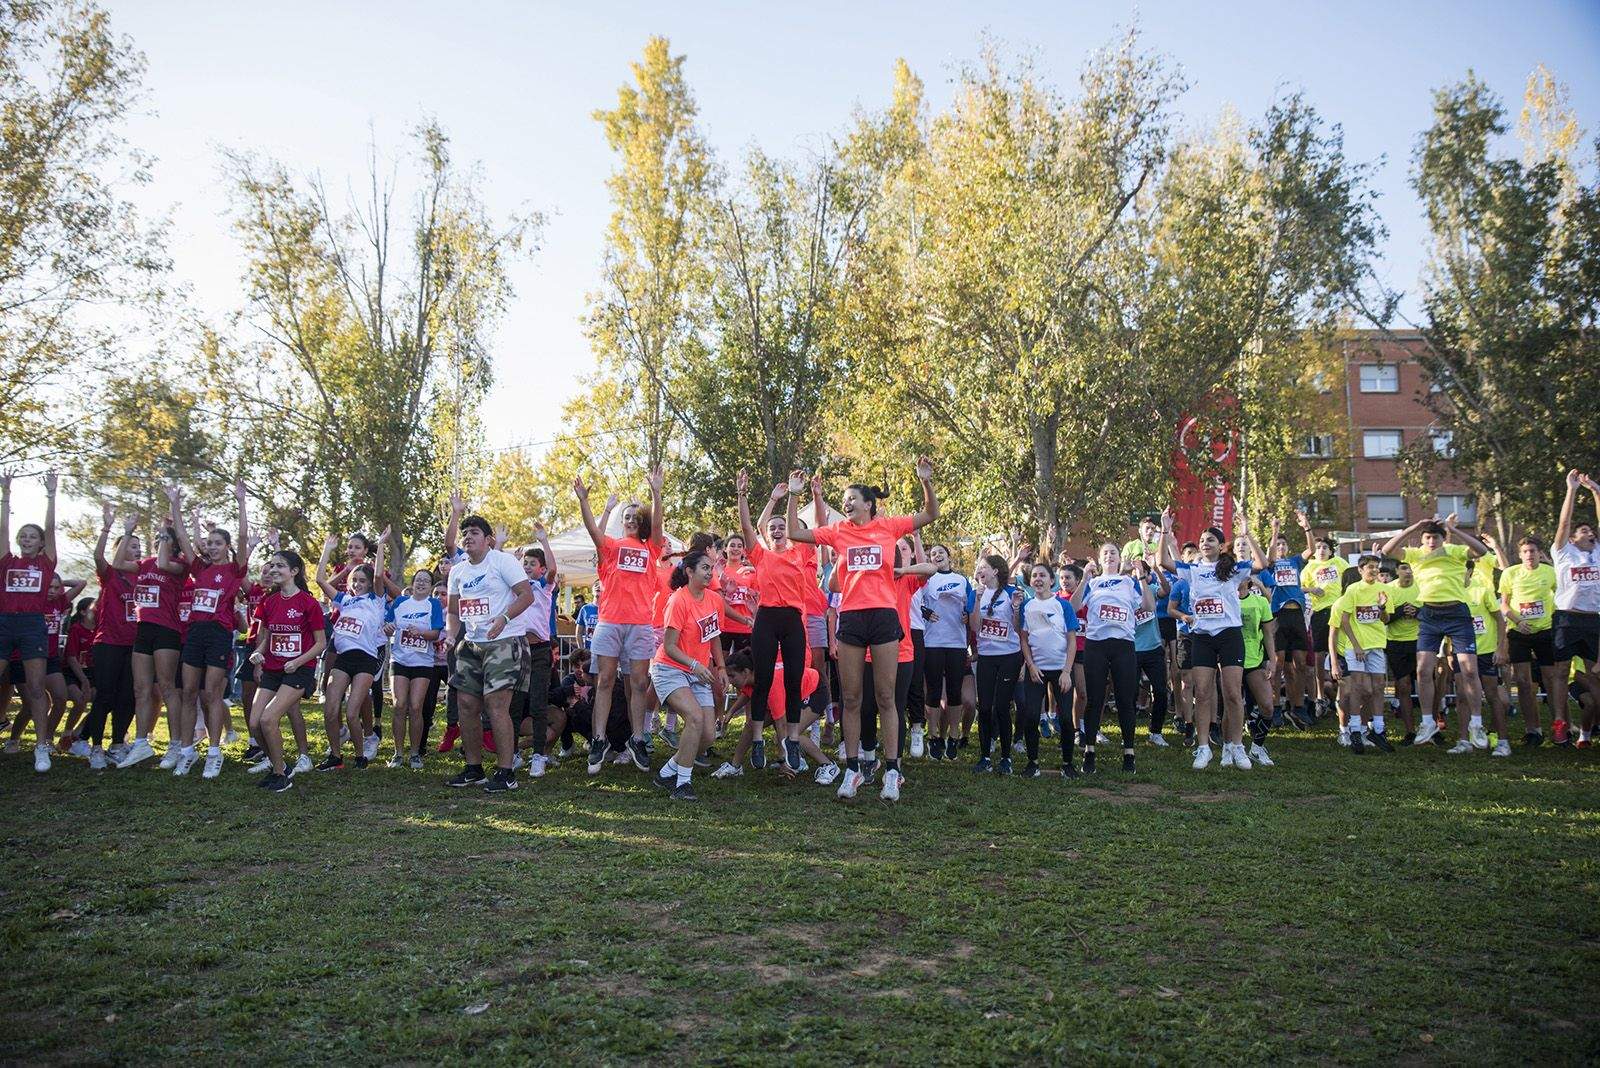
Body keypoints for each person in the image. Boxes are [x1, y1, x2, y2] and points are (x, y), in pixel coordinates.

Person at [785, 458, 938, 802]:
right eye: (844, 499)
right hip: (851, 618)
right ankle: (853, 769)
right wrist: (794, 495)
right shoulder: (839, 531)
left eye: (852, 498)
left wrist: (925, 481)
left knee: (886, 697)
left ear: (868, 504)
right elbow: (795, 532)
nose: (847, 503)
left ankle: (892, 771)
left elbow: (930, 514)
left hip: (883, 617)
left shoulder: (889, 526)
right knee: (851, 698)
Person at [1160, 509, 1267, 771]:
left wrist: (1246, 533)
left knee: (1232, 693)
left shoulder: (1232, 570)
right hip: (1202, 637)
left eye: (1211, 540)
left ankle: (1236, 746)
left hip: (1229, 635)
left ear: (1220, 546)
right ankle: (1204, 748)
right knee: (1203, 692)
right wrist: (1165, 529)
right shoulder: (1192, 570)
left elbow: (1262, 563)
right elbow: (1162, 560)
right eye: (1202, 540)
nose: (1205, 543)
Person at [573, 469, 664, 776]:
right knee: (605, 681)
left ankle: (637, 738)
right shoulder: (610, 548)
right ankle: (599, 740)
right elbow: (592, 531)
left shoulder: (651, 548)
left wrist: (656, 493)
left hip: (640, 625)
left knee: (637, 683)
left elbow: (658, 526)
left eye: (635, 517)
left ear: (642, 522)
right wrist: (585, 502)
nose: (630, 520)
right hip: (610, 623)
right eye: (626, 517)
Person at [1379, 512, 1492, 749]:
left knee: (1470, 671)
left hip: (1457, 614)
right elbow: (1387, 550)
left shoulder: (1454, 551)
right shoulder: (1416, 554)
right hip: (1429, 615)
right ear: (1422, 539)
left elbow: (1481, 550)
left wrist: (1454, 529)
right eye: (1427, 538)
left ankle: (1476, 723)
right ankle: (1428, 722)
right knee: (1423, 671)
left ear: (1443, 539)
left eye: (1435, 538)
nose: (1431, 542)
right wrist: (1413, 527)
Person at [737, 470, 824, 773]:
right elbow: (747, 526)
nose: (776, 530)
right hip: (767, 618)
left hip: (793, 620)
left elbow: (819, 527)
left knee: (792, 680)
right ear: (768, 533)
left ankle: (793, 740)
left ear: (789, 531)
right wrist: (742, 495)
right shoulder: (761, 555)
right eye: (772, 527)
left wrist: (799, 494)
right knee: (762, 679)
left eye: (781, 526)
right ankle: (758, 739)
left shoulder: (800, 553)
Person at [443, 515, 535, 793]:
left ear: (488, 539)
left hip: (504, 640)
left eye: (474, 532)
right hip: (471, 644)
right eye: (465, 533)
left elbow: (526, 595)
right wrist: (451, 634)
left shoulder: (502, 561)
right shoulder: (458, 571)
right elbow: (453, 611)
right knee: (466, 705)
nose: (467, 537)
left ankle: (506, 772)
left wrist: (504, 618)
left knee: (496, 705)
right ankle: (474, 768)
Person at [174, 481, 249, 779]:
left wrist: (241, 502)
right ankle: (187, 751)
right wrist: (175, 505)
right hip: (195, 633)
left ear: (227, 547)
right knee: (188, 692)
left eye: (218, 542)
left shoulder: (234, 570)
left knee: (211, 693)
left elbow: (242, 536)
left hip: (219, 634)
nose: (213, 546)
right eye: (209, 543)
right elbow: (182, 537)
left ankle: (214, 752)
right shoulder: (200, 569)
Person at [115, 484, 189, 769]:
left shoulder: (179, 565)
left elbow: (163, 561)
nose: (160, 541)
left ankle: (175, 745)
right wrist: (127, 532)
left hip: (167, 631)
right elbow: (118, 563)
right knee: (141, 689)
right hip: (143, 630)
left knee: (168, 687)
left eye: (164, 539)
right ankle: (141, 743)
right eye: (158, 538)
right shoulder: (144, 563)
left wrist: (167, 525)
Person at [1071, 541, 1155, 775]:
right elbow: (1073, 607)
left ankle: (1129, 753)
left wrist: (1141, 577)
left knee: (1125, 700)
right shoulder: (1093, 583)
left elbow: (1148, 606)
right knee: (1094, 699)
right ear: (1099, 559)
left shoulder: (1128, 582)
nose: (1109, 555)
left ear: (1119, 559)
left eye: (1113, 552)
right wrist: (1084, 579)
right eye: (1105, 553)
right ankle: (1089, 751)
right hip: (1096, 645)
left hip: (1123, 645)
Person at [649, 549, 728, 801]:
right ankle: (682, 783)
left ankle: (667, 771)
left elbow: (714, 636)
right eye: (705, 568)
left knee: (708, 735)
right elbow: (670, 647)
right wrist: (695, 665)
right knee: (694, 718)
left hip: (698, 672)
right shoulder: (678, 600)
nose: (710, 573)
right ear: (689, 571)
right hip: (670, 669)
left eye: (711, 568)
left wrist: (721, 667)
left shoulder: (714, 600)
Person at [247, 549, 327, 793]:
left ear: (294, 571)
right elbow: (268, 637)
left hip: (298, 671)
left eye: (280, 565)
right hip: (273, 669)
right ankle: (278, 765)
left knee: (268, 719)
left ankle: (281, 776)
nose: (274, 570)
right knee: (254, 723)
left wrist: (298, 661)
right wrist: (258, 653)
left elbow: (320, 643)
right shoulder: (269, 601)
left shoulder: (308, 603)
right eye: (272, 565)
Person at [313, 530, 390, 771]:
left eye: (362, 581)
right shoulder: (345, 600)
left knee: (352, 713)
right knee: (330, 710)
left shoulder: (376, 601)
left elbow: (379, 574)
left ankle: (359, 756)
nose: (357, 584)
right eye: (354, 580)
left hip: (365, 660)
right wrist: (327, 550)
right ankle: (336, 756)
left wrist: (380, 545)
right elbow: (320, 581)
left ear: (370, 584)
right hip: (343, 659)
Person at [0, 472, 59, 771]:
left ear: (41, 543)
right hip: (4, 623)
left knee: (36, 688)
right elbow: (2, 529)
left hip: (32, 625)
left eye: (32, 536)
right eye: (23, 535)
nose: (27, 539)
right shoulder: (7, 561)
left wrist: (51, 495)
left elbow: (50, 528)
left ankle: (41, 747)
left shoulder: (46, 563)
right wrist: (6, 494)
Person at [1550, 471, 1600, 746]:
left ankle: (1588, 730)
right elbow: (1564, 522)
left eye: (1591, 531)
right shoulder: (1563, 552)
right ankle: (1560, 722)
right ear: (1571, 539)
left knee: (1595, 675)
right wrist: (1571, 489)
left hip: (1593, 619)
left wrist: (1595, 491)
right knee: (1561, 671)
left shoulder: (1598, 552)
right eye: (1583, 531)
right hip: (1566, 618)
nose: (1589, 533)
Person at [1496, 534, 1558, 744]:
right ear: (1520, 555)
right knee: (1523, 683)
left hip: (1545, 632)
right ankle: (1533, 730)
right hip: (1518, 633)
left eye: (1533, 551)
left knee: (1551, 681)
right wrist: (1518, 620)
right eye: (1525, 551)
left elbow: (1561, 596)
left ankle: (1560, 727)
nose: (1529, 555)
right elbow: (1504, 604)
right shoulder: (1510, 573)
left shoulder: (1550, 572)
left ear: (1540, 553)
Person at [1018, 562, 1078, 778]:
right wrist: (1031, 665)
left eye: (1042, 575)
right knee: (1031, 716)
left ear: (1052, 580)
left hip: (1061, 670)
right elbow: (1024, 639)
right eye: (1034, 575)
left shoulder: (1063, 606)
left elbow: (1072, 640)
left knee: (1065, 719)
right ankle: (1032, 762)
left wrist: (1066, 671)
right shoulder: (1027, 606)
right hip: (1037, 671)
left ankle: (1068, 763)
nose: (1038, 579)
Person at [1332, 554, 1394, 755]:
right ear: (1361, 570)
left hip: (1377, 645)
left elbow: (1386, 619)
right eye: (1370, 567)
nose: (1374, 570)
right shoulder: (1353, 590)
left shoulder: (1384, 589)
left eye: (1376, 567)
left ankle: (1378, 730)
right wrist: (1357, 646)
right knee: (1357, 687)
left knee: (1378, 687)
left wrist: (1382, 607)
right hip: (1356, 647)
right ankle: (1355, 730)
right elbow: (1345, 621)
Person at [919, 542, 975, 761]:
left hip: (956, 643)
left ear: (949, 556)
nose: (937, 556)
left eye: (941, 552)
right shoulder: (926, 580)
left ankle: (953, 736)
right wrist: (925, 611)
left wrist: (968, 616)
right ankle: (933, 737)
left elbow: (971, 607)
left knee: (954, 692)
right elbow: (915, 603)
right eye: (933, 554)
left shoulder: (962, 580)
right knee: (933, 692)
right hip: (932, 641)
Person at [970, 554, 1024, 774]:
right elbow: (975, 627)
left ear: (995, 571)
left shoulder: (1012, 593)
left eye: (984, 567)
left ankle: (1006, 758)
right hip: (986, 657)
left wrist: (1017, 608)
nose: (980, 570)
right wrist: (976, 600)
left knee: (1001, 707)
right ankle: (984, 757)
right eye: (979, 567)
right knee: (984, 707)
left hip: (1009, 656)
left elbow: (1018, 629)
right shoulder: (977, 594)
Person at [512, 526, 559, 777]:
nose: (528, 566)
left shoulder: (543, 587)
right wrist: (508, 555)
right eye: (525, 563)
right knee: (515, 702)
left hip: (540, 650)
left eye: (533, 563)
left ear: (540, 569)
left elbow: (553, 571)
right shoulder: (515, 588)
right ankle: (513, 754)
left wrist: (544, 541)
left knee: (539, 703)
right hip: (518, 649)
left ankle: (539, 755)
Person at [387, 567, 444, 769]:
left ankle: (415, 753)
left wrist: (420, 632)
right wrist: (387, 628)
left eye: (426, 581)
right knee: (399, 705)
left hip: (422, 662)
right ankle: (397, 753)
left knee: (416, 706)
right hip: (399, 660)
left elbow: (435, 634)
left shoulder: (434, 604)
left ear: (430, 586)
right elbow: (387, 626)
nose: (421, 583)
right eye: (418, 580)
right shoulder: (401, 602)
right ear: (412, 583)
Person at [1265, 512, 1313, 727]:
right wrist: (1274, 532)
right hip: (1278, 616)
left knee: (1300, 664)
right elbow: (1269, 558)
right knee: (1278, 664)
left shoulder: (1295, 561)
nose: (1281, 547)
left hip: (1297, 615)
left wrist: (1306, 526)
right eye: (1278, 544)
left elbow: (1311, 550)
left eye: (1284, 544)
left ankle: (1298, 707)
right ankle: (1275, 707)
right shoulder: (1271, 564)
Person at [1299, 534, 1349, 719]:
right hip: (1320, 613)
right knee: (1319, 655)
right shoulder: (1309, 567)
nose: (1321, 550)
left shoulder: (1339, 563)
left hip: (1339, 611)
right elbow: (1298, 587)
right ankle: (1320, 696)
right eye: (1318, 547)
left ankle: (1342, 694)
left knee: (1342, 652)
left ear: (1331, 551)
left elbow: (1352, 579)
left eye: (1324, 547)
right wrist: (1312, 589)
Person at [1466, 559, 1512, 757]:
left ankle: (1502, 741)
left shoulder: (1482, 589)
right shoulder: (1451, 593)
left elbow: (1500, 620)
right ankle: (1466, 741)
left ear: (1469, 571)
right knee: (1464, 696)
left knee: (1496, 697)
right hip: (1463, 653)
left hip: (1485, 652)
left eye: (1460, 569)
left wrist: (1501, 648)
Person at [1236, 571, 1279, 765]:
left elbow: (1268, 634)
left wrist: (1272, 660)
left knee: (1267, 706)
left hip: (1255, 660)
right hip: (1231, 660)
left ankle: (1257, 748)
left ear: (1248, 580)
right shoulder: (1226, 601)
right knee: (1231, 706)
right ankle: (1231, 748)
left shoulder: (1260, 602)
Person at [1129, 560, 1172, 748]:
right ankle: (1128, 732)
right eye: (1134, 573)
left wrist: (1156, 569)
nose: (1137, 576)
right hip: (1132, 649)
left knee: (1161, 691)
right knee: (1130, 693)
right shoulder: (1125, 593)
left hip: (1153, 649)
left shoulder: (1152, 589)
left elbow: (1166, 590)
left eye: (1142, 573)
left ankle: (1156, 732)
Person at [1383, 559, 1423, 742]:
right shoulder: (1389, 589)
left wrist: (1417, 612)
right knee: (1404, 686)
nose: (1408, 572)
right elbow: (1384, 619)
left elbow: (1432, 613)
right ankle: (1410, 731)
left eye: (1411, 568)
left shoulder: (1422, 586)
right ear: (1397, 571)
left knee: (1426, 685)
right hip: (1396, 642)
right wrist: (1400, 611)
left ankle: (1431, 726)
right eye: (1405, 568)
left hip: (1420, 640)